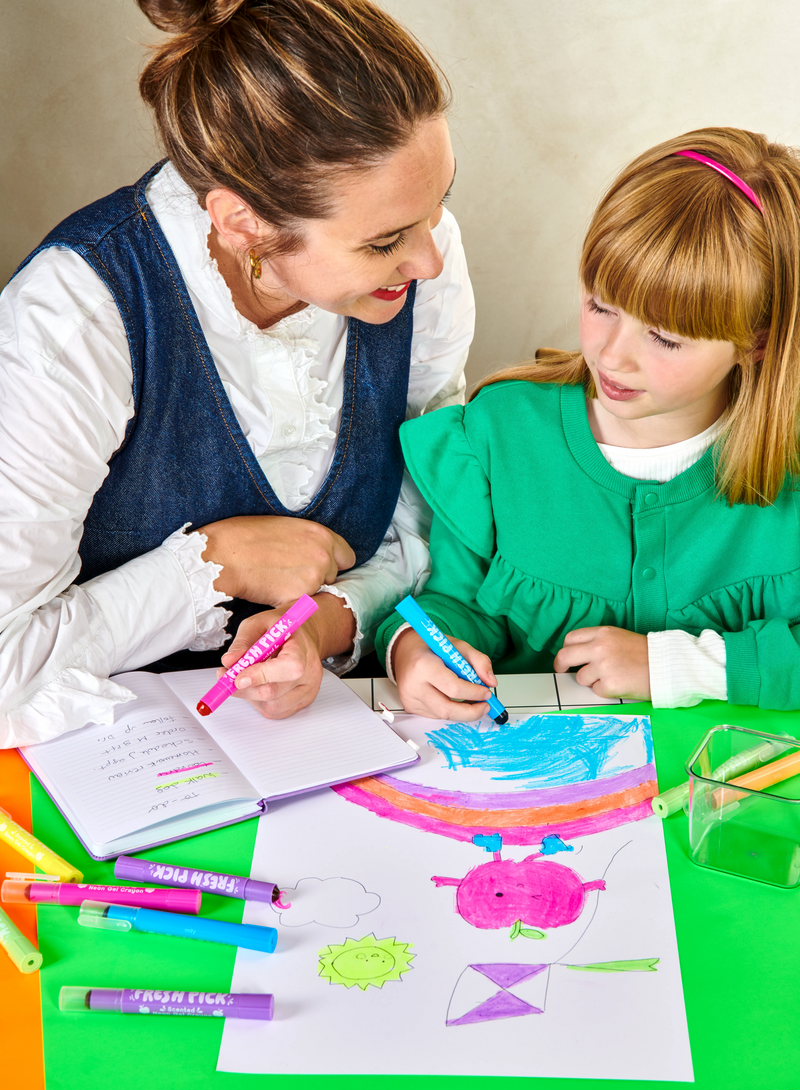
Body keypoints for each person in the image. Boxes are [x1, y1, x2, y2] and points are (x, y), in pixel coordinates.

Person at [0, 0, 473, 747]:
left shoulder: (418, 260)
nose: (429, 261)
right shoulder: (73, 320)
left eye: (438, 206)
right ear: (242, 222)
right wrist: (214, 566)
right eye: (385, 242)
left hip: (322, 741)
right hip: (104, 761)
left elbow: (429, 515)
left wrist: (332, 618)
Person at [377, 127, 800, 718]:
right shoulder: (500, 434)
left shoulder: (791, 471)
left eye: (665, 338)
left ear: (756, 343)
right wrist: (413, 650)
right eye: (601, 305)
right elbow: (455, 605)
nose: (611, 355)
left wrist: (675, 665)